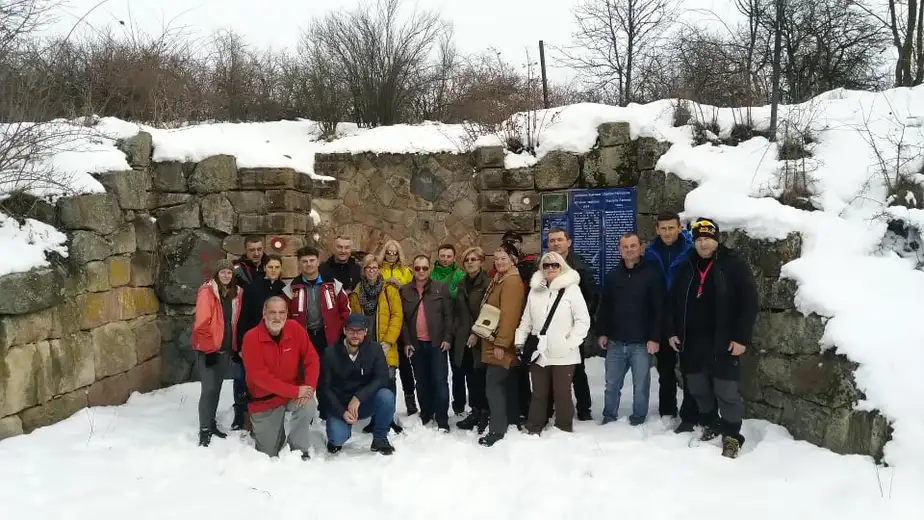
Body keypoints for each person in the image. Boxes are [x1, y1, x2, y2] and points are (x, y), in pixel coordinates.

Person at [666, 218, 759, 459]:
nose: (703, 243)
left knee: (726, 391)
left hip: (723, 342)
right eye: (699, 239)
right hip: (692, 342)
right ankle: (711, 423)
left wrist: (741, 338)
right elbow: (673, 304)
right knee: (698, 388)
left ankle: (731, 435)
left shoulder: (733, 265)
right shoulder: (687, 266)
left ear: (716, 240)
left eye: (708, 238)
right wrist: (672, 331)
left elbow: (748, 304)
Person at [516, 251, 590, 435]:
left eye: (554, 265)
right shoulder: (535, 291)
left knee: (562, 393)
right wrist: (520, 342)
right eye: (546, 265)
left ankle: (563, 428)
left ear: (561, 267)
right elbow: (527, 320)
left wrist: (570, 342)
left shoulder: (572, 290)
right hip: (539, 351)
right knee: (539, 392)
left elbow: (583, 320)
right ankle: (534, 427)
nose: (550, 269)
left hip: (564, 352)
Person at [597, 233, 665, 426]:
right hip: (616, 341)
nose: (629, 250)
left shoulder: (652, 274)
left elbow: (658, 309)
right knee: (611, 384)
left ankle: (638, 418)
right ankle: (609, 415)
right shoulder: (613, 275)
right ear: (620, 249)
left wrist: (654, 337)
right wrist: (602, 331)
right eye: (625, 247)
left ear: (640, 248)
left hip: (641, 342)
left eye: (633, 246)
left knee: (641, 385)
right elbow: (606, 306)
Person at [241, 297, 320, 460]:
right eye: (272, 312)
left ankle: (299, 448)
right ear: (264, 314)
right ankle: (261, 430)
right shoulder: (251, 337)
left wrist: (309, 387)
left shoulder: (294, 329)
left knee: (308, 403)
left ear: (287, 314)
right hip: (265, 400)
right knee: (269, 452)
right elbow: (259, 377)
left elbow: (312, 359)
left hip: (291, 395)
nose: (277, 317)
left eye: (282, 312)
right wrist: (295, 390)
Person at [644, 212, 701, 432]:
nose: (667, 232)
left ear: (680, 228)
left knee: (689, 370)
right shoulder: (650, 253)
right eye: (663, 228)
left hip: (686, 315)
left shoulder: (690, 252)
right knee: (665, 370)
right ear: (657, 229)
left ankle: (690, 414)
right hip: (660, 316)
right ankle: (667, 410)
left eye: (671, 228)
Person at [287, 246, 350, 420]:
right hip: (303, 339)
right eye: (304, 261)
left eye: (312, 260)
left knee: (327, 375)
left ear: (318, 261)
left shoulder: (333, 284)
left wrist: (342, 334)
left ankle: (327, 410)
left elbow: (345, 310)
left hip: (327, 337)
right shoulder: (292, 288)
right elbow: (283, 313)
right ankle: (305, 412)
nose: (308, 264)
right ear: (299, 263)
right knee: (304, 374)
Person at [322, 313, 397, 456]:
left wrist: (359, 397)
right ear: (344, 331)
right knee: (337, 438)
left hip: (363, 402)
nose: (355, 335)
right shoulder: (330, 353)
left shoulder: (374, 349)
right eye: (351, 330)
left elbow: (382, 377)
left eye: (359, 331)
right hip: (341, 405)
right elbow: (325, 388)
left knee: (386, 396)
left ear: (366, 332)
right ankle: (337, 436)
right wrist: (341, 411)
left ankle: (380, 439)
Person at [349, 254, 404, 434]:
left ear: (379, 269)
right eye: (368, 268)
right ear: (364, 271)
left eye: (375, 267)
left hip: (386, 343)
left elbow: (397, 315)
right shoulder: (357, 292)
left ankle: (388, 418)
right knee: (371, 381)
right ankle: (375, 418)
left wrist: (388, 340)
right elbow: (356, 319)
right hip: (367, 345)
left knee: (388, 379)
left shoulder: (389, 290)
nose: (372, 271)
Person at [478, 243, 526, 447]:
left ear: (513, 260)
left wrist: (501, 343)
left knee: (494, 386)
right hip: (492, 339)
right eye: (496, 258)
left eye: (503, 258)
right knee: (506, 385)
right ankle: (512, 420)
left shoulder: (511, 282)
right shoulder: (500, 279)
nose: (499, 262)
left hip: (498, 343)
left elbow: (509, 315)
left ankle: (497, 430)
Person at [545, 227, 596, 421]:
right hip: (549, 330)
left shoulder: (580, 267)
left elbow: (591, 297)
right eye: (552, 241)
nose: (556, 244)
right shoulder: (543, 266)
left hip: (572, 329)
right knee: (549, 368)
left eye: (559, 240)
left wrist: (579, 324)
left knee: (577, 369)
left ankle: (584, 408)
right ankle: (550, 407)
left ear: (569, 242)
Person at [191, 259, 243, 447]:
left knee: (217, 388)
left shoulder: (236, 293)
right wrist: (208, 349)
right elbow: (202, 323)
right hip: (209, 349)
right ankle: (204, 429)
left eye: (229, 272)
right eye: (223, 272)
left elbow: (234, 322)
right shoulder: (207, 292)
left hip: (225, 348)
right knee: (209, 389)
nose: (226, 275)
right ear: (217, 274)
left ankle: (211, 423)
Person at [400, 255, 455, 431]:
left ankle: (442, 418)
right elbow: (403, 320)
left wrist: (447, 338)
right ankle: (426, 413)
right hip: (416, 344)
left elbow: (448, 315)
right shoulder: (405, 291)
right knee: (421, 381)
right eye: (417, 268)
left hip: (437, 343)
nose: (421, 272)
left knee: (440, 381)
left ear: (429, 269)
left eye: (424, 268)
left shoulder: (440, 288)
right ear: (413, 269)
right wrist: (407, 342)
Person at [231, 235, 268, 430]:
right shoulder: (237, 271)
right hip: (243, 326)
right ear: (246, 250)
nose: (256, 253)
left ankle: (260, 412)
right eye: (252, 249)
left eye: (259, 249)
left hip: (266, 329)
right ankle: (240, 413)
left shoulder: (270, 267)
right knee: (240, 375)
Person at [377, 239, 417, 416]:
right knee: (387, 366)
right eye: (388, 252)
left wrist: (400, 286)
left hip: (404, 320)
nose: (391, 255)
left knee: (406, 365)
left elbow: (412, 292)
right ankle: (386, 405)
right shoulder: (378, 270)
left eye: (394, 252)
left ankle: (410, 399)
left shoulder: (406, 271)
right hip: (386, 321)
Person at [453, 246, 491, 433]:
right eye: (467, 260)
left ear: (481, 261)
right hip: (463, 337)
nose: (470, 263)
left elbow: (490, 312)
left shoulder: (488, 283)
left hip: (481, 337)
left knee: (481, 376)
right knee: (470, 376)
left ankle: (485, 412)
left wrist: (477, 333)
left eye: (473, 259)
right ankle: (475, 411)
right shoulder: (462, 283)